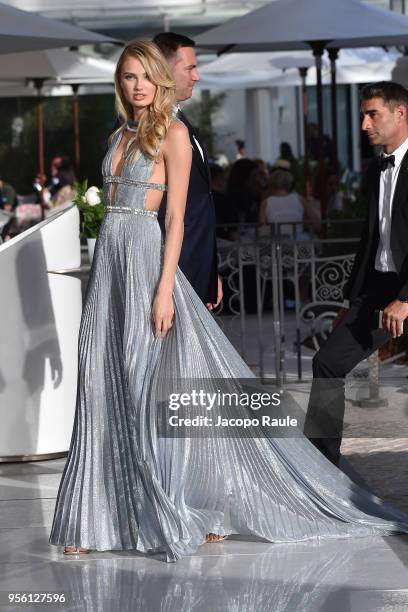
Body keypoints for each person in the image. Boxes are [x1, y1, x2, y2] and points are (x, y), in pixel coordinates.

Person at [49, 46, 408, 562]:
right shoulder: (117, 137)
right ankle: (92, 516)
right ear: (119, 83)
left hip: (150, 268)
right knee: (102, 384)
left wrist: (166, 288)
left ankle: (190, 506)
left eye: (146, 77)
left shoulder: (172, 133)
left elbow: (175, 219)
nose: (138, 87)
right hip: (109, 274)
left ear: (159, 81)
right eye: (128, 78)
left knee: (159, 392)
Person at [304, 81, 408, 465]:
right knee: (327, 361)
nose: (364, 123)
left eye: (372, 114)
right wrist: (352, 302)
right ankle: (321, 467)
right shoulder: (376, 167)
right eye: (363, 114)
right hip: (380, 291)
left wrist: (407, 299)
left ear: (400, 113)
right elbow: (370, 239)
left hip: (405, 293)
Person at [153, 32, 222, 311]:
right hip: (171, 271)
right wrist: (166, 283)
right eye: (190, 68)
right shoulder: (149, 129)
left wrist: (209, 269)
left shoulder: (180, 120)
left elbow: (198, 201)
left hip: (195, 265)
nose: (196, 77)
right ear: (164, 71)